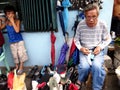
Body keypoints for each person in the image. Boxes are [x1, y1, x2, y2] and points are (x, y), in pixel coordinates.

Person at [74, 3, 111, 90]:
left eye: (94, 16)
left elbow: (108, 39)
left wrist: (100, 47)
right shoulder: (81, 25)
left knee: (97, 66)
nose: (91, 20)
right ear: (85, 16)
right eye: (88, 17)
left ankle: (96, 88)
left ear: (98, 15)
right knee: (84, 67)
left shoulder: (102, 24)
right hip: (85, 50)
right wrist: (81, 48)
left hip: (97, 50)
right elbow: (76, 40)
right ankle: (80, 80)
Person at [0, 5, 28, 75]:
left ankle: (21, 67)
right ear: (6, 15)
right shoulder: (6, 22)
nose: (10, 15)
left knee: (21, 54)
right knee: (15, 55)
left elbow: (17, 30)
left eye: (11, 13)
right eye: (8, 14)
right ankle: (17, 66)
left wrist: (12, 21)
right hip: (12, 42)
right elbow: (0, 28)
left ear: (14, 14)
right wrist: (1, 20)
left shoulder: (17, 21)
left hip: (19, 41)